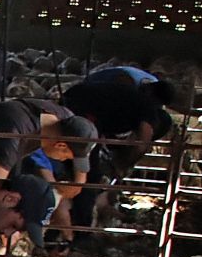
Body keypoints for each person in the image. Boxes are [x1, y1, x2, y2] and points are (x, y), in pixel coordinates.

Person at [60, 77, 176, 237]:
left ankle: (65, 221)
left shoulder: (127, 95)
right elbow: (142, 144)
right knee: (89, 177)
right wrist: (122, 166)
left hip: (68, 105)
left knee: (71, 168)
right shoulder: (148, 108)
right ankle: (81, 232)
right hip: (82, 119)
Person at [0, 98, 98, 181]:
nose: (64, 160)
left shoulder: (63, 118)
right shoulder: (15, 133)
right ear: (61, 145)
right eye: (67, 157)